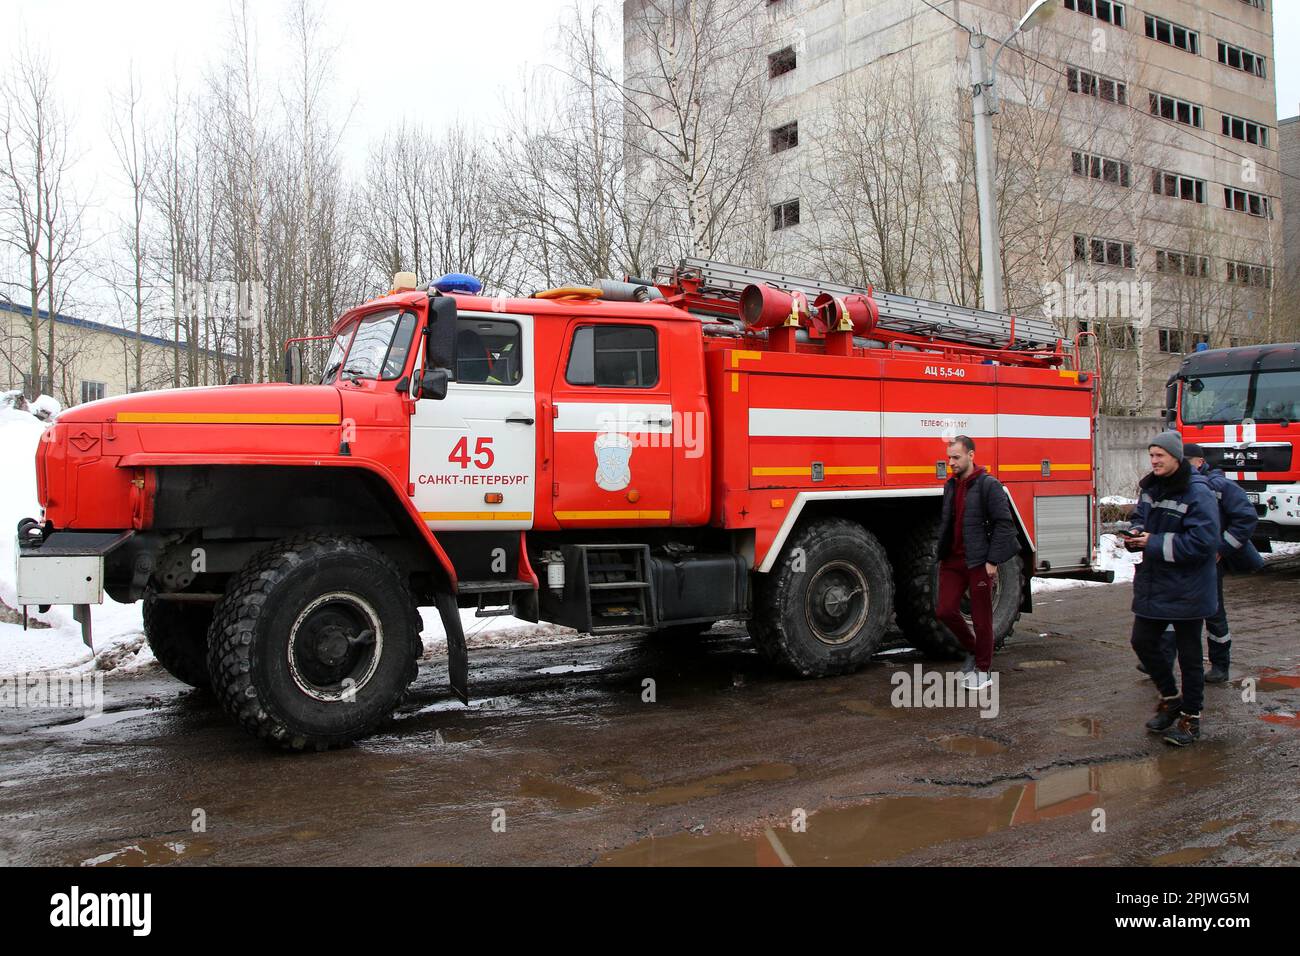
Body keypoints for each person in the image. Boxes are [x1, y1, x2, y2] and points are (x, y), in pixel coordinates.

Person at [1124, 431, 1220, 746]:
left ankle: (1191, 719)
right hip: (1156, 583)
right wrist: (1136, 531)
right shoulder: (1151, 487)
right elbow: (1142, 516)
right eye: (1151, 456)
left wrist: (1153, 542)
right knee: (1142, 640)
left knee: (1190, 656)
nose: (1153, 461)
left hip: (1189, 587)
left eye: (1159, 456)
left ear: (1175, 457)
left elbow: (1203, 543)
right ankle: (1170, 697)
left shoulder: (1198, 492)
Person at [934, 435, 1019, 691]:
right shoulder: (951, 485)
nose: (951, 462)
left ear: (971, 455)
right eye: (949, 457)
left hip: (978, 562)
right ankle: (974, 648)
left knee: (982, 619)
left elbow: (1004, 525)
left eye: (956, 457)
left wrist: (992, 561)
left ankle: (984, 670)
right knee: (945, 610)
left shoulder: (988, 485)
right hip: (953, 560)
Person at [1185, 443, 1260, 683]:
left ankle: (1220, 664)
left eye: (1186, 461)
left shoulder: (1219, 486)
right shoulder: (1177, 486)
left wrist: (1222, 548)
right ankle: (1158, 659)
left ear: (1199, 462)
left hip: (1208, 561)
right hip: (1185, 558)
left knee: (1213, 611)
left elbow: (1246, 518)